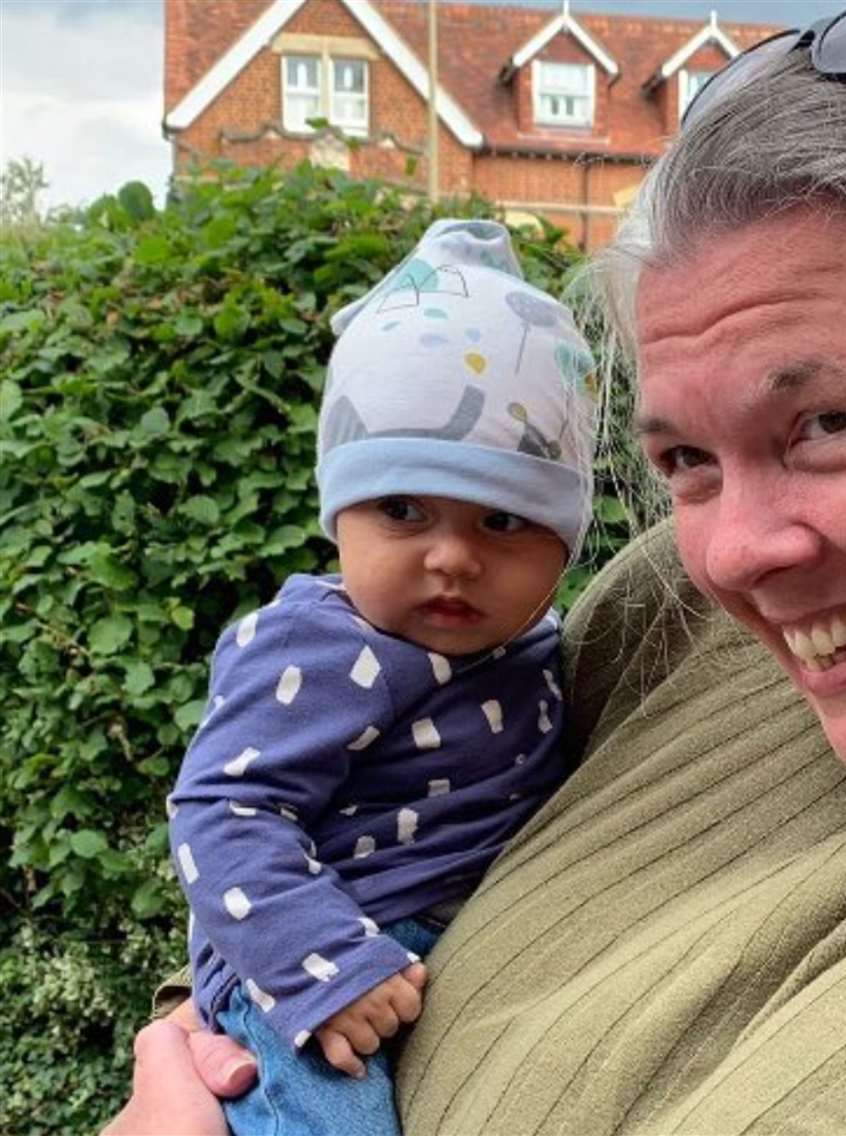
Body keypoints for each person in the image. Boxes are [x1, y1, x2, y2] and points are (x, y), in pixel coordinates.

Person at [105, 6, 846, 1135]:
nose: (729, 553)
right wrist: (202, 1037)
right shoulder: (671, 614)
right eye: (687, 459)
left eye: (825, 421)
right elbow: (322, 813)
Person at [165, 218, 596, 1136]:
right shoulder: (317, 650)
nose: (453, 557)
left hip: (431, 958)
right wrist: (323, 966)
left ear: (567, 540)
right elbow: (221, 814)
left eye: (506, 522)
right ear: (338, 513)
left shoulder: (535, 644)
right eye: (402, 509)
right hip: (310, 969)